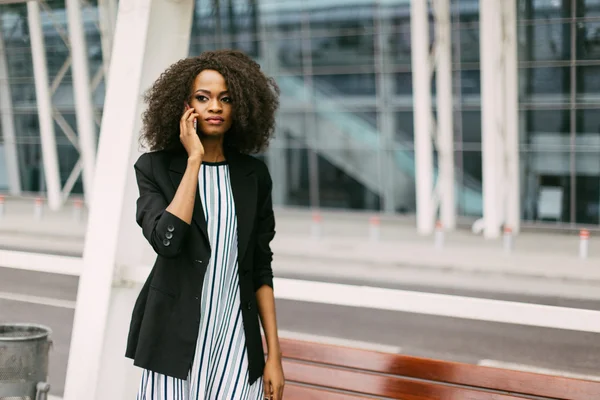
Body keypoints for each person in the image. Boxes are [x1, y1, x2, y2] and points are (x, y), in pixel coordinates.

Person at [125, 50, 285, 400]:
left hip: (236, 341)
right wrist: (194, 159)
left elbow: (261, 269)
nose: (215, 107)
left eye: (225, 99)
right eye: (203, 97)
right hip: (173, 341)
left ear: (240, 106)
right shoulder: (154, 169)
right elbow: (167, 241)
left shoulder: (253, 176)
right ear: (184, 106)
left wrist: (274, 355)